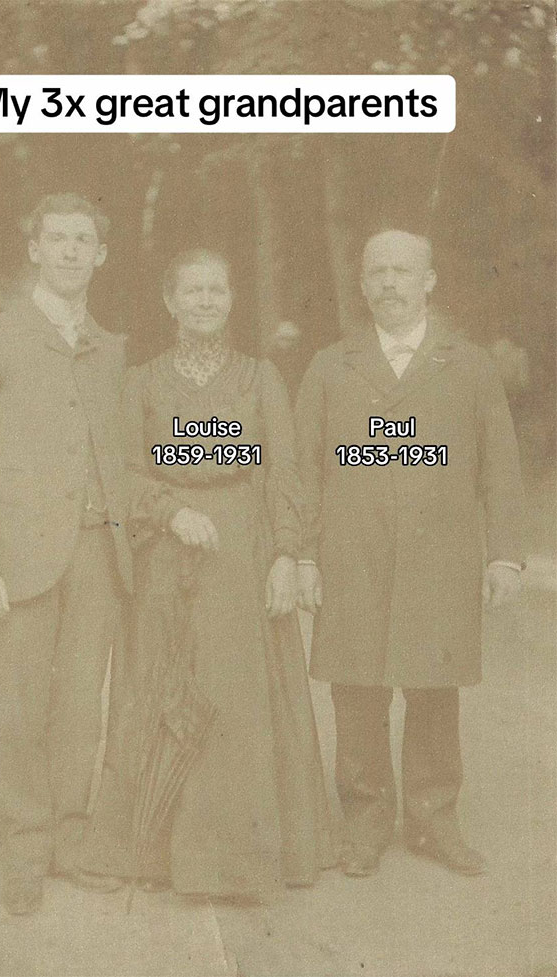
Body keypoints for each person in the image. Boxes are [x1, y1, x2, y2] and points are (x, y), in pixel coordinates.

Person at [82, 248, 336, 901]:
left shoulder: (260, 378)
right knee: (156, 686)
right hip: (169, 551)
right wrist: (170, 511)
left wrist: (287, 552)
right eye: (191, 290)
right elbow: (124, 473)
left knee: (242, 697)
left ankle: (244, 858)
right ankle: (147, 853)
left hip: (244, 551)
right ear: (170, 301)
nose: (204, 300)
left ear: (230, 299)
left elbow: (285, 471)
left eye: (216, 290)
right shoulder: (141, 381)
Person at [296, 228, 525, 878]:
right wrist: (306, 555)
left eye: (403, 272)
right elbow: (303, 469)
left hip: (440, 562)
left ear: (429, 281)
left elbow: (500, 467)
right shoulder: (330, 365)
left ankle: (433, 820)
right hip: (354, 558)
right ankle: (365, 822)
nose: (389, 284)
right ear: (363, 283)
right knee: (358, 691)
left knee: (433, 692)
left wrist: (504, 555)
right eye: (378, 273)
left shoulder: (470, 365)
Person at [0, 193, 132, 915]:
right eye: (58, 239)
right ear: (35, 250)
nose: (71, 251)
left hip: (96, 557)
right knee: (24, 706)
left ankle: (70, 839)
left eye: (85, 240)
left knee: (82, 704)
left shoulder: (112, 348)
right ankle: (24, 847)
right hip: (17, 561)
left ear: (101, 255)